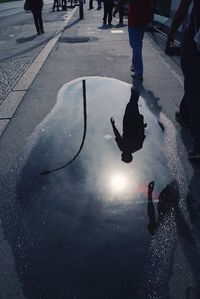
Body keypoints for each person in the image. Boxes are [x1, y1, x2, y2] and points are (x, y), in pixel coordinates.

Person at [166, 0, 200, 159]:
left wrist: (171, 32)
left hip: (195, 41)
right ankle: (184, 114)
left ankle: (198, 143)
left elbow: (183, 8)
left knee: (193, 86)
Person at [115, 0, 153, 79]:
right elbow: (150, 6)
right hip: (142, 21)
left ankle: (138, 71)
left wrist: (116, 9)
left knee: (135, 45)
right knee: (137, 44)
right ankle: (135, 64)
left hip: (134, 21)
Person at [110, 89, 147, 163]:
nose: (122, 155)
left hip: (130, 122)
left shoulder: (137, 147)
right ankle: (136, 90)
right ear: (128, 156)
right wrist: (141, 125)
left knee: (131, 104)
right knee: (132, 104)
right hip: (131, 123)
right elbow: (142, 134)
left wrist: (113, 126)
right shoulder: (134, 146)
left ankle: (135, 91)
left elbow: (118, 136)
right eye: (123, 156)